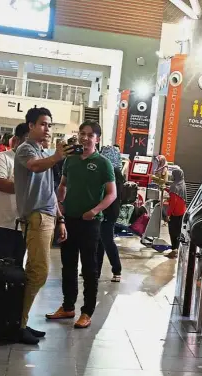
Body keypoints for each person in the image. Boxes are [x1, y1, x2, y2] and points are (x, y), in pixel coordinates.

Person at [46, 121, 116, 329]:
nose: (85, 138)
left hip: (90, 223)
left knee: (89, 269)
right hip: (69, 222)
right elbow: (63, 185)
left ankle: (87, 312)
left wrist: (95, 210)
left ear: (97, 139)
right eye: (82, 134)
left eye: (89, 135)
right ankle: (68, 306)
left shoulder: (103, 163)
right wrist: (60, 203)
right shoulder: (70, 160)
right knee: (67, 266)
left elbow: (112, 194)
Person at [14, 107, 72, 345]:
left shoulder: (43, 152)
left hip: (48, 215)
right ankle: (18, 323)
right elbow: (35, 167)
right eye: (42, 124)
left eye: (49, 125)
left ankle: (21, 321)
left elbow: (49, 191)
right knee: (39, 272)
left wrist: (60, 219)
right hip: (36, 217)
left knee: (35, 271)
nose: (47, 129)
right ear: (30, 126)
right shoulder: (26, 149)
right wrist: (57, 156)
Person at [0, 123, 28, 266]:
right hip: (1, 226)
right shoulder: (2, 158)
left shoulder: (35, 163)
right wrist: (30, 187)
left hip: (23, 226)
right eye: (29, 140)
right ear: (17, 140)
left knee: (16, 271)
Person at [97, 145, 125, 282]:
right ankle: (95, 270)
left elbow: (111, 194)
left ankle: (117, 270)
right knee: (99, 241)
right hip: (104, 210)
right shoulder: (110, 170)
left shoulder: (114, 172)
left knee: (107, 241)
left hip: (109, 211)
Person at [165, 167, 187, 259]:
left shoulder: (174, 186)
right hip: (182, 211)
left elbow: (173, 202)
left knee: (172, 232)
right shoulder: (182, 184)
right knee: (178, 232)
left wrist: (168, 214)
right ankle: (176, 250)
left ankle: (174, 250)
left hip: (175, 212)